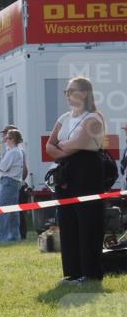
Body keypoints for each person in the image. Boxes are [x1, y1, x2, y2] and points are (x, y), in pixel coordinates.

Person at [46, 76, 107, 282]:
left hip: (87, 169)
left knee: (88, 220)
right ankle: (73, 271)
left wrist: (61, 146)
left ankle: (90, 272)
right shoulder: (64, 117)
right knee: (68, 220)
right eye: (66, 91)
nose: (68, 95)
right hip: (67, 169)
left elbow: (79, 142)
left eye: (71, 91)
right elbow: (49, 146)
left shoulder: (94, 118)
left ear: (84, 93)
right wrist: (64, 148)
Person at [0, 128, 26, 244]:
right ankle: (13, 236)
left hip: (9, 182)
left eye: (7, 137)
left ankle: (0, 237)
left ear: (13, 139)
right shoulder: (16, 151)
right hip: (14, 182)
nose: (5, 140)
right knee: (12, 211)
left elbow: (2, 167)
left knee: (1, 209)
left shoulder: (13, 152)